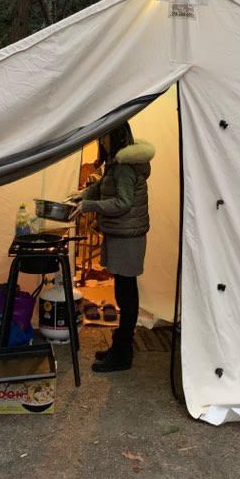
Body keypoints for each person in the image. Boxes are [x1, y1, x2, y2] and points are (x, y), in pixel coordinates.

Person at [74, 123, 155, 373]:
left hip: (127, 238)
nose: (101, 140)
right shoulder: (116, 164)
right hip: (122, 234)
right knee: (124, 291)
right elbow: (101, 187)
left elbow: (122, 202)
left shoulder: (123, 167)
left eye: (105, 135)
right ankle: (120, 347)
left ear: (115, 136)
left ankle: (122, 354)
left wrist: (90, 206)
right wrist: (83, 195)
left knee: (126, 294)